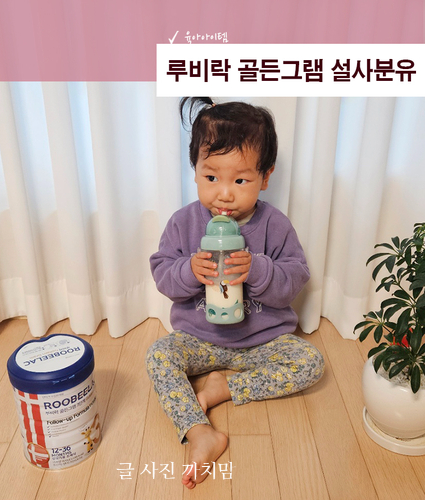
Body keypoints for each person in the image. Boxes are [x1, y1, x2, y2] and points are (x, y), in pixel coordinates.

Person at [146, 97, 325, 489]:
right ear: (195, 170)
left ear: (265, 176)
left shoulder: (274, 225)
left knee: (311, 363)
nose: (224, 194)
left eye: (240, 181)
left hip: (262, 341)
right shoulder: (183, 222)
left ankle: (224, 388)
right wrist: (189, 270)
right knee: (158, 356)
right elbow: (162, 274)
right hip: (201, 339)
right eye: (211, 177)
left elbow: (295, 278)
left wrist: (258, 269)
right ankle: (200, 433)